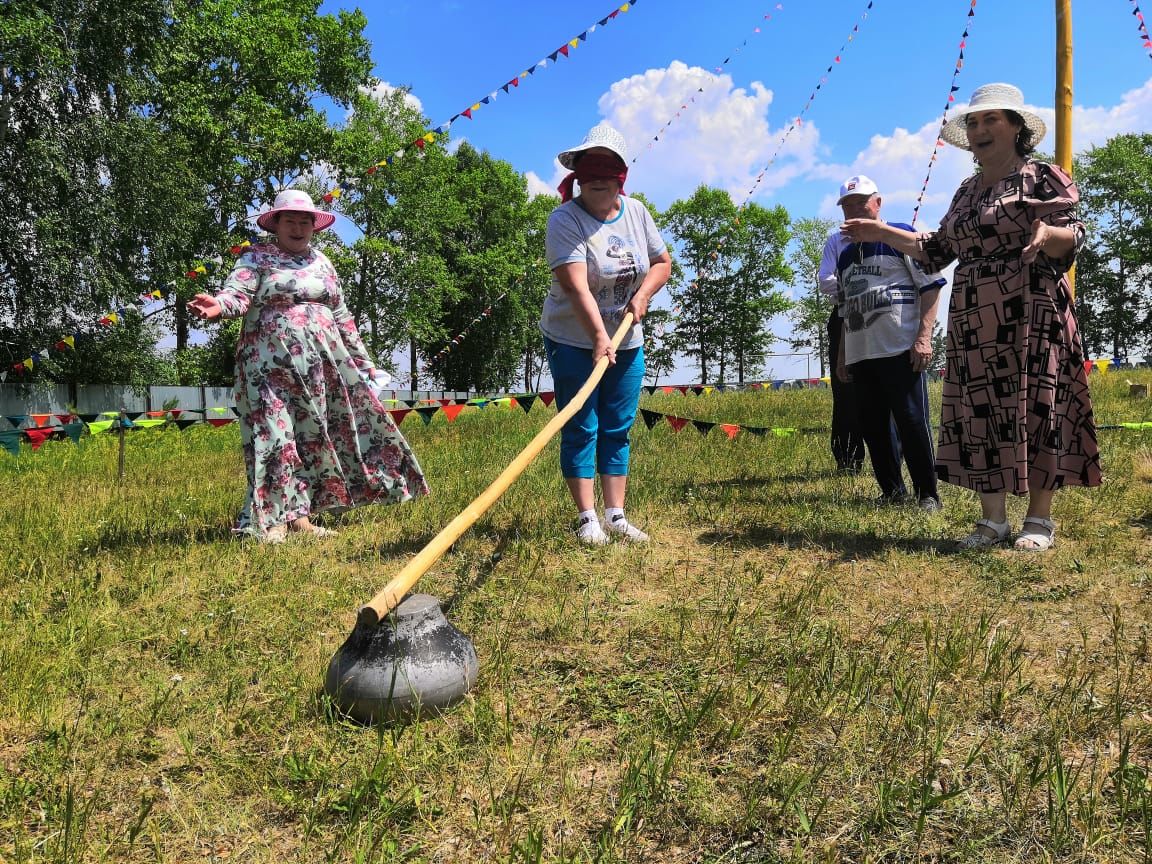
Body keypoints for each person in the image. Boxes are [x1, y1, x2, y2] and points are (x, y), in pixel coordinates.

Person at [841, 84, 1102, 550]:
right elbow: (936, 250)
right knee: (982, 411)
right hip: (975, 317)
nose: (979, 130)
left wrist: (1048, 234)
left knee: (1037, 406)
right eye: (973, 123)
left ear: (1016, 127)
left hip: (1032, 308)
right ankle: (993, 521)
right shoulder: (965, 192)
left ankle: (1039, 521)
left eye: (991, 121)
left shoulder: (1043, 176)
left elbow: (1075, 235)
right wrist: (882, 232)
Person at [188, 189, 429, 543]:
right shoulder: (256, 257)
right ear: (276, 224)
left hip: (319, 369)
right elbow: (237, 295)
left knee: (310, 439)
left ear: (314, 227)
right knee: (273, 436)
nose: (298, 228)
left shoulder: (323, 263)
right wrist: (218, 306)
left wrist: (364, 363)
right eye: (291, 221)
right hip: (268, 369)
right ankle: (267, 523)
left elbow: (342, 315)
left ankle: (300, 518)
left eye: (305, 222)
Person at [542, 124, 672, 545]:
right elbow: (576, 284)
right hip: (573, 336)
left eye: (606, 170)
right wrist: (599, 335)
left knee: (618, 425)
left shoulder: (637, 212)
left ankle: (615, 515)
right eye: (589, 170)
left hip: (627, 336)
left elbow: (661, 262)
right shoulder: (564, 220)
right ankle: (586, 518)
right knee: (582, 423)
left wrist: (644, 296)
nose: (597, 179)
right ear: (578, 177)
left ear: (620, 177)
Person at [821, 175, 945, 510]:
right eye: (847, 206)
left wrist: (923, 337)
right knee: (872, 425)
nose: (853, 211)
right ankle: (892, 491)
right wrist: (843, 354)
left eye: (860, 203)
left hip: (899, 347)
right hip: (862, 352)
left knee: (911, 419)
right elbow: (846, 306)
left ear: (878, 203)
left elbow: (931, 285)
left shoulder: (902, 236)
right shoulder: (845, 255)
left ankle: (927, 494)